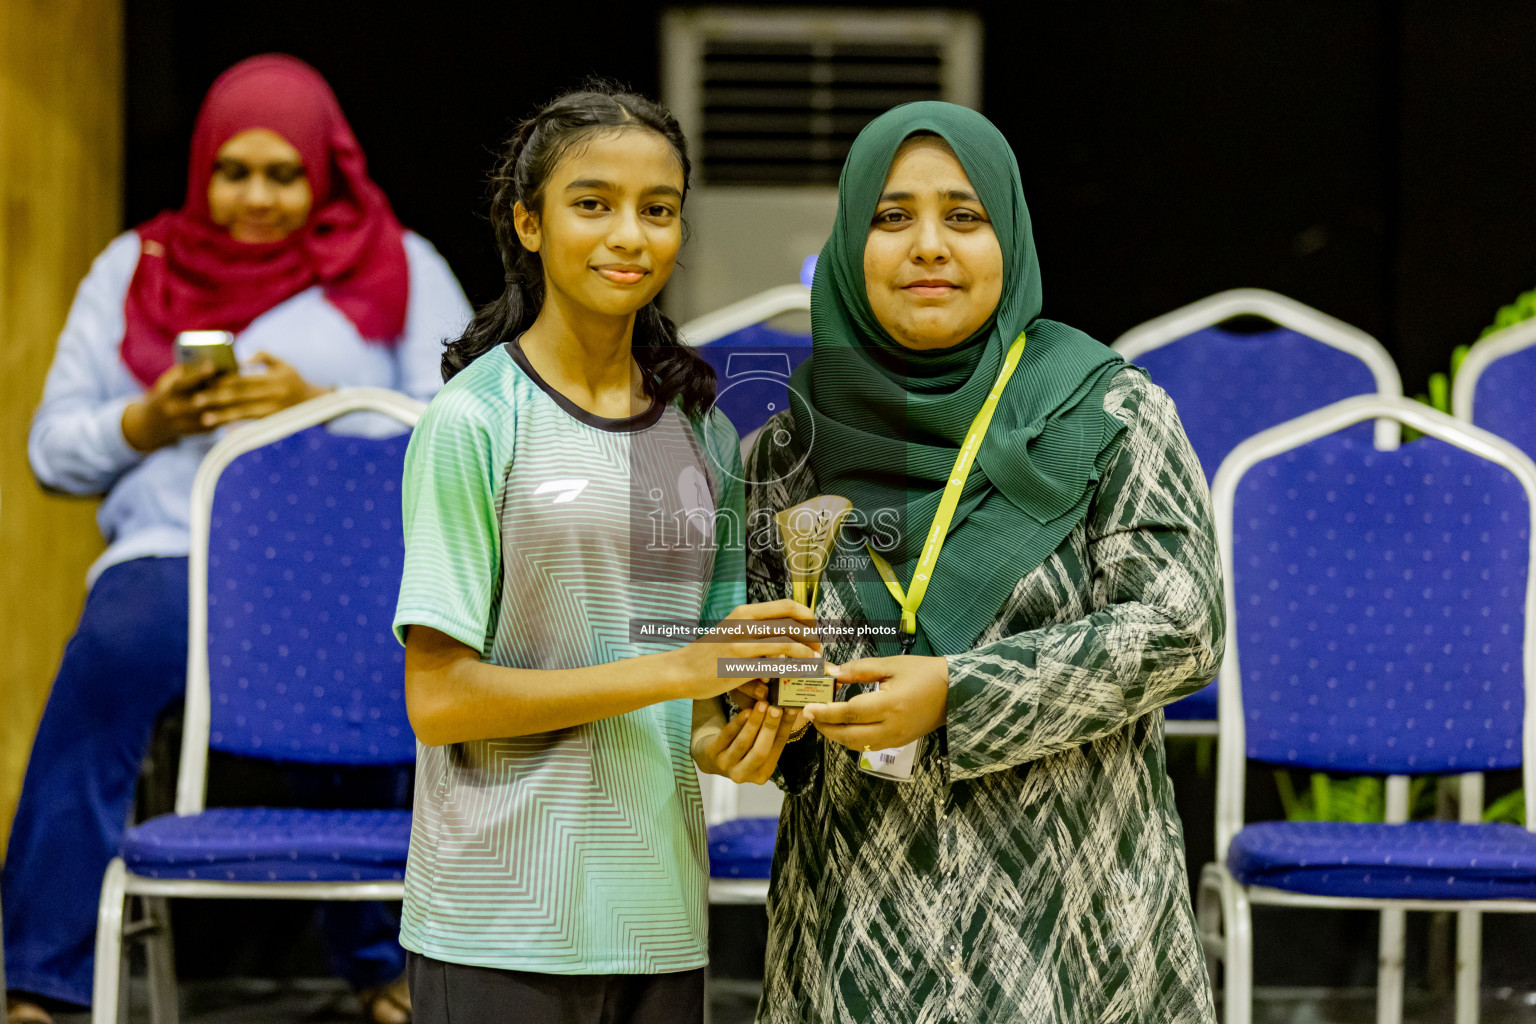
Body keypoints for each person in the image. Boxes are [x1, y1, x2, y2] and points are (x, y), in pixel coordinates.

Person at [735, 102, 1224, 1023]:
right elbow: (768, 669)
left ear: (1011, 238)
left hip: (1078, 933)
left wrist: (960, 692)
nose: (929, 246)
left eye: (964, 217)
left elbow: (1182, 628)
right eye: (892, 218)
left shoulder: (1109, 414)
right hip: (856, 937)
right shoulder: (784, 454)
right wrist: (755, 728)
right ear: (848, 244)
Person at [6, 55, 471, 1024]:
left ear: (324, 171)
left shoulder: (397, 264)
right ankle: (41, 976)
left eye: (283, 173)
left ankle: (383, 954)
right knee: (107, 660)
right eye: (234, 170)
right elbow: (53, 450)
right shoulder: (138, 265)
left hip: (340, 561)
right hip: (174, 550)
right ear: (202, 167)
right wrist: (153, 420)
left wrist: (325, 405)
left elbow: (467, 426)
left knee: (372, 670)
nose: (255, 197)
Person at [392, 86, 812, 1024]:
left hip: (658, 917)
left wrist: (743, 733)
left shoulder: (701, 433)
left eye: (658, 210)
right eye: (594, 203)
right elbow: (441, 701)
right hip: (497, 920)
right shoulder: (474, 421)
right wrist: (678, 668)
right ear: (528, 224)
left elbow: (695, 711)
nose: (630, 234)